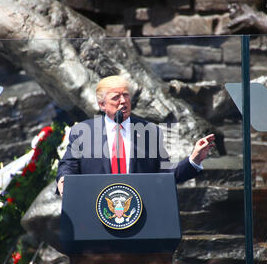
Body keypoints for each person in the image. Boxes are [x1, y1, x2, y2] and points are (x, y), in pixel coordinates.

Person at [56, 75, 215, 196]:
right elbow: (68, 166)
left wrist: (193, 159)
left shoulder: (149, 132)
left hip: (139, 214)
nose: (123, 101)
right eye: (116, 97)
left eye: (125, 95)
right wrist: (64, 181)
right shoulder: (84, 132)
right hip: (95, 211)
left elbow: (165, 176)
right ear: (102, 105)